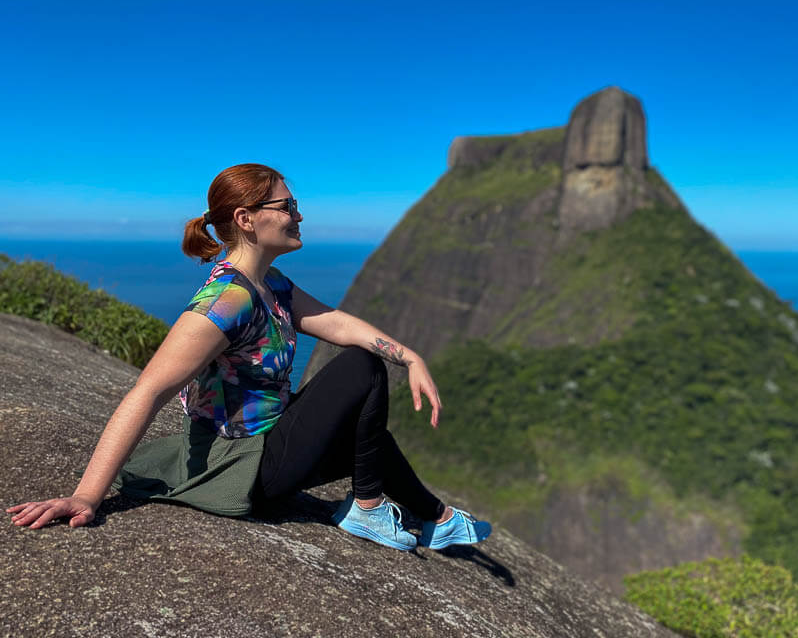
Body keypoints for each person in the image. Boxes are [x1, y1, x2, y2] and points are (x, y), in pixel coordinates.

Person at [7, 163, 491, 551]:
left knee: (366, 426)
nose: (298, 216)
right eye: (288, 206)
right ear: (245, 218)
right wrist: (87, 496)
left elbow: (337, 323)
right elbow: (149, 390)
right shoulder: (226, 302)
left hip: (265, 445)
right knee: (362, 369)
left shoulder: (271, 286)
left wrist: (410, 357)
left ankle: (438, 519)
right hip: (240, 464)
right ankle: (367, 510)